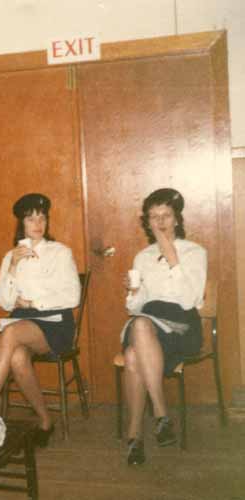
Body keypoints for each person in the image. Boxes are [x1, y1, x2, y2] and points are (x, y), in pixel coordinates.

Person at [121, 188, 207, 465]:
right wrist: (134, 292)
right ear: (146, 222)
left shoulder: (194, 252)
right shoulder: (142, 257)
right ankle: (157, 420)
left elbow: (190, 300)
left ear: (177, 219)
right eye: (153, 217)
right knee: (138, 330)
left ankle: (138, 432)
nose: (160, 222)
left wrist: (171, 256)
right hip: (147, 323)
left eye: (166, 215)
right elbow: (135, 308)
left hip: (182, 325)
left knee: (134, 349)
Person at [0, 193, 80, 447]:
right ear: (22, 224)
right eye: (31, 219)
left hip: (55, 323)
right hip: (21, 323)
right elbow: (4, 302)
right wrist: (13, 267)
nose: (38, 224)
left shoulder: (60, 252)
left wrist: (33, 303)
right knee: (17, 356)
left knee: (9, 333)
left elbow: (72, 296)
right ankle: (45, 420)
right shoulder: (10, 256)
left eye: (42, 218)